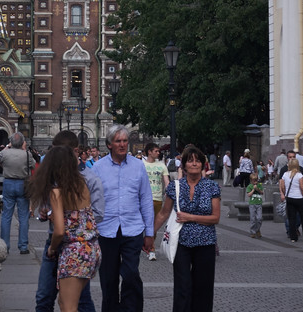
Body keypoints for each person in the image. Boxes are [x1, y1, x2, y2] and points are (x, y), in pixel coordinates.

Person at [35, 130, 104, 312]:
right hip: (88, 248)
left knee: (71, 306)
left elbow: (60, 229)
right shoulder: (80, 183)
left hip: (70, 248)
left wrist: (52, 248)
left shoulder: (68, 186)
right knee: (61, 302)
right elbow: (81, 215)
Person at [91, 125, 153, 312]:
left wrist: (149, 233)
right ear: (109, 144)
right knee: (108, 279)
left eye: (125, 141)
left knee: (131, 275)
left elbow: (146, 199)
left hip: (132, 229)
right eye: (118, 141)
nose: (122, 144)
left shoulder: (138, 166)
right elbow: (90, 200)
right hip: (106, 231)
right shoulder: (98, 168)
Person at [154, 145, 221, 312]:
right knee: (182, 287)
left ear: (203, 165)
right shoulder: (174, 186)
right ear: (183, 165)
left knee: (203, 289)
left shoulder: (211, 187)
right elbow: (163, 213)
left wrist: (190, 217)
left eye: (198, 161)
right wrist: (150, 233)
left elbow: (215, 218)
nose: (194, 164)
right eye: (190, 161)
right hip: (181, 243)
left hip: (205, 243)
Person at [0, 132, 33, 254]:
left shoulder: (5, 153)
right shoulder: (27, 154)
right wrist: (24, 149)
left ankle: (5, 245)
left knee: (6, 215)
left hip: (8, 183)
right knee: (23, 217)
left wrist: (8, 146)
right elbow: (32, 165)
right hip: (22, 184)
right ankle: (23, 246)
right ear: (23, 142)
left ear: (11, 142)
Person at [143, 142, 169, 261]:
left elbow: (166, 181)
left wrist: (170, 191)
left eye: (159, 151)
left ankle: (150, 248)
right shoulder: (141, 164)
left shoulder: (162, 165)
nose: (158, 153)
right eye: (156, 151)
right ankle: (147, 247)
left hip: (158, 198)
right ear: (149, 152)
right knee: (144, 225)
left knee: (153, 226)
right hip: (144, 199)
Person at [280, 158, 303, 242]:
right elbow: (302, 187)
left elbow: (282, 186)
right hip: (299, 198)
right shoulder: (299, 175)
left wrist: (285, 193)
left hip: (290, 198)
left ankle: (293, 237)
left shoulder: (285, 175)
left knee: (292, 218)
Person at [246, 172, 264, 238]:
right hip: (252, 204)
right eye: (254, 180)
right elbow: (249, 194)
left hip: (259, 203)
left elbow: (262, 193)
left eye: (256, 180)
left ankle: (257, 230)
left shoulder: (259, 185)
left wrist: (258, 189)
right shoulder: (249, 186)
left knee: (259, 218)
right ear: (251, 180)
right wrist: (253, 189)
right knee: (253, 218)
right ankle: (253, 232)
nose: (255, 182)